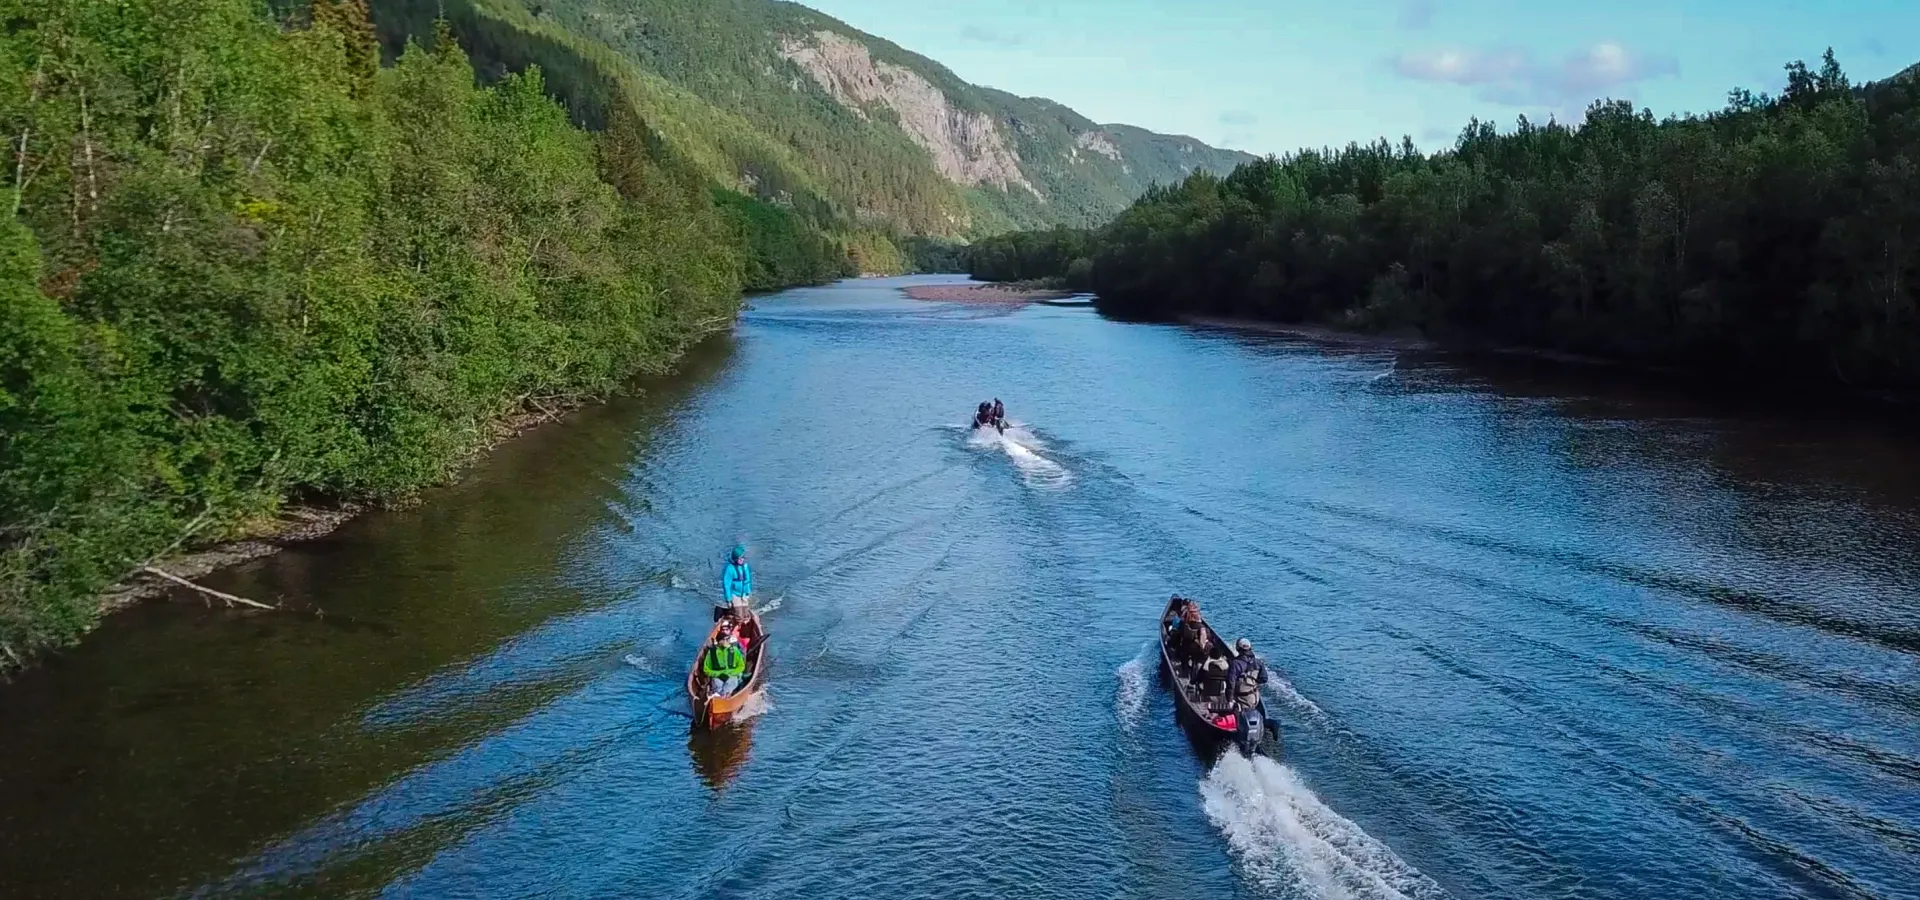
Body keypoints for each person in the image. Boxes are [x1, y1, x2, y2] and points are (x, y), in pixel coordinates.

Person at [702, 628, 748, 697]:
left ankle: (722, 697)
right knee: (717, 683)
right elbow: (706, 669)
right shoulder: (711, 652)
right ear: (719, 641)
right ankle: (719, 697)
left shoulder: (735, 650)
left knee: (730, 683)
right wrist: (718, 674)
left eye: (728, 639)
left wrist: (730, 673)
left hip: (732, 675)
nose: (727, 641)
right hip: (718, 676)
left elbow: (741, 666)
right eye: (725, 640)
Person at [1226, 638, 1268, 712]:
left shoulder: (1235, 663)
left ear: (1237, 648)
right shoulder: (1258, 662)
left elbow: (1231, 683)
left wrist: (1229, 700)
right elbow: (1264, 679)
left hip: (1241, 698)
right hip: (1254, 697)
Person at [719, 544, 753, 622]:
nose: (741, 560)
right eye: (739, 558)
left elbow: (747, 581)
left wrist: (747, 593)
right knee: (739, 616)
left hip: (743, 593)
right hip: (734, 594)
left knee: (746, 616)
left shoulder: (745, 566)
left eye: (742, 557)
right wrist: (728, 599)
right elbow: (726, 585)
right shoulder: (730, 568)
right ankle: (736, 623)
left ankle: (735, 615)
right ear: (735, 559)